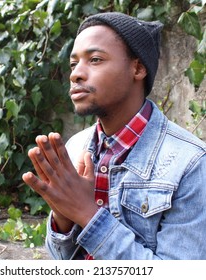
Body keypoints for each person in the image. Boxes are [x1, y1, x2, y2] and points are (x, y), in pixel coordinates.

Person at [22, 12, 206, 260]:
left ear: (138, 68)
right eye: (73, 64)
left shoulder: (191, 163)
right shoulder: (77, 146)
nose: (75, 74)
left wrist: (87, 215)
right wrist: (63, 218)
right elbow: (61, 259)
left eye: (95, 59)